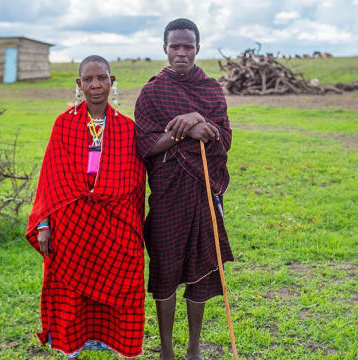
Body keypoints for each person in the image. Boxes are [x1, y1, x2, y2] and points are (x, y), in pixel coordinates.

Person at [26, 55, 146, 359]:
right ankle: (72, 347)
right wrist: (43, 225)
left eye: (102, 78)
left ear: (112, 81)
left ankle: (122, 345)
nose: (96, 85)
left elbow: (134, 181)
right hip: (71, 228)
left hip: (116, 228)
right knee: (72, 292)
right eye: (89, 79)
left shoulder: (126, 128)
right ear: (79, 84)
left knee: (124, 287)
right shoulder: (64, 124)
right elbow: (50, 180)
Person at [134, 18, 233, 360]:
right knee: (164, 270)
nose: (180, 52)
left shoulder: (211, 89)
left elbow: (225, 139)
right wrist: (186, 129)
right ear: (164, 48)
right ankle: (166, 351)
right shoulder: (152, 91)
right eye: (174, 46)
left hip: (203, 195)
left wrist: (195, 117)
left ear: (197, 49)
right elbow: (145, 144)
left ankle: (193, 348)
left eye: (187, 46)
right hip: (167, 196)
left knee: (200, 269)